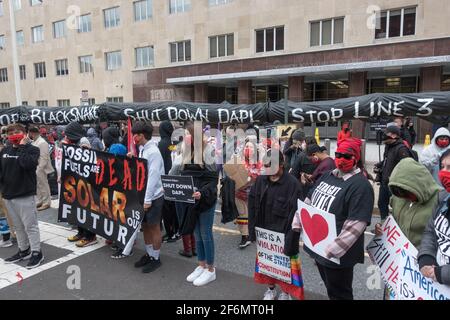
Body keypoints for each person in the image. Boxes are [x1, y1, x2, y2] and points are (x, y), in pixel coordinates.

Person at [292, 138, 374, 300]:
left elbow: (357, 223)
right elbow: (309, 200)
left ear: (356, 159)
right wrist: (298, 221)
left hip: (338, 255)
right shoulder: (328, 175)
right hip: (319, 248)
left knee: (340, 294)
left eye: (347, 156)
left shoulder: (361, 185)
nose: (341, 159)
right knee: (331, 289)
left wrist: (332, 249)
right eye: (338, 154)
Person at [248, 149, 303, 300]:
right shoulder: (260, 180)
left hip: (284, 234)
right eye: (266, 166)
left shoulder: (293, 185)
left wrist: (291, 241)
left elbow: (297, 216)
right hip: (265, 233)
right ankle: (270, 289)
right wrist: (251, 231)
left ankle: (285, 292)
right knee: (267, 264)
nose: (269, 170)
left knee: (285, 266)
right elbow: (252, 205)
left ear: (282, 164)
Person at [180, 122, 219, 286]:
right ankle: (201, 265)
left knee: (205, 234)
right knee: (196, 234)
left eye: (187, 134)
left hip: (206, 198)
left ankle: (211, 269)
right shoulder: (186, 150)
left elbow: (213, 180)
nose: (185, 137)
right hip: (192, 198)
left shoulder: (208, 150)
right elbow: (179, 172)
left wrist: (201, 193)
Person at [1, 123, 44, 269]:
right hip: (8, 195)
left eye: (17, 131)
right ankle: (23, 250)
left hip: (25, 194)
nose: (14, 134)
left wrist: (22, 147)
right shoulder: (4, 150)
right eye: (10, 132)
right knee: (18, 227)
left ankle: (37, 252)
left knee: (30, 226)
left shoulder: (33, 149)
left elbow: (27, 165)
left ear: (25, 133)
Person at [132, 121, 166, 273]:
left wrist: (147, 200)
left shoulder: (153, 152)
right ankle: (149, 254)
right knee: (145, 226)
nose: (134, 137)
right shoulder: (142, 149)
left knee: (154, 227)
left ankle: (156, 258)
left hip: (154, 196)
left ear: (142, 135)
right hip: (144, 194)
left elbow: (153, 176)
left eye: (136, 134)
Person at [418, 149, 450, 286]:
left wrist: (441, 274)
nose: (443, 172)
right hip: (438, 286)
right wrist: (426, 258)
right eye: (442, 166)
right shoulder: (443, 198)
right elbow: (430, 231)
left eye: (449, 167)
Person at [64, 122, 98, 247]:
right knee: (78, 207)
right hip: (77, 181)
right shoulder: (74, 141)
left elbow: (86, 158)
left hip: (85, 182)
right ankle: (81, 232)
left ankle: (90, 236)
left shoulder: (83, 141)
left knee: (86, 208)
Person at [374, 125, 412, 220]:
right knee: (382, 204)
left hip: (395, 185)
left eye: (387, 133)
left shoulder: (401, 149)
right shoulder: (388, 146)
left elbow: (407, 167)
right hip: (384, 183)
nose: (384, 135)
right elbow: (387, 160)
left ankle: (398, 229)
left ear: (394, 136)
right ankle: (385, 226)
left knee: (397, 208)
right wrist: (379, 165)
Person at [234, 137, 262, 249]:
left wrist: (251, 178)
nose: (248, 149)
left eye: (250, 147)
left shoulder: (259, 162)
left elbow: (261, 176)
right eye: (246, 146)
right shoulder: (239, 160)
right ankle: (245, 237)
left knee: (253, 215)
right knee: (242, 215)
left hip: (253, 194)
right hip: (239, 193)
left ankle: (251, 233)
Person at [158, 121, 179, 243]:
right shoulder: (173, 143)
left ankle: (170, 232)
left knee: (166, 209)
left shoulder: (161, 144)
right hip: (175, 178)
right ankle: (175, 231)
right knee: (174, 207)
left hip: (165, 179)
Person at [28, 126, 54, 211]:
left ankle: (46, 202)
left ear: (32, 133)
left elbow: (44, 157)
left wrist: (40, 168)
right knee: (38, 185)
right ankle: (40, 200)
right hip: (35, 166)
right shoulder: (35, 141)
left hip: (40, 167)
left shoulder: (42, 142)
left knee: (43, 185)